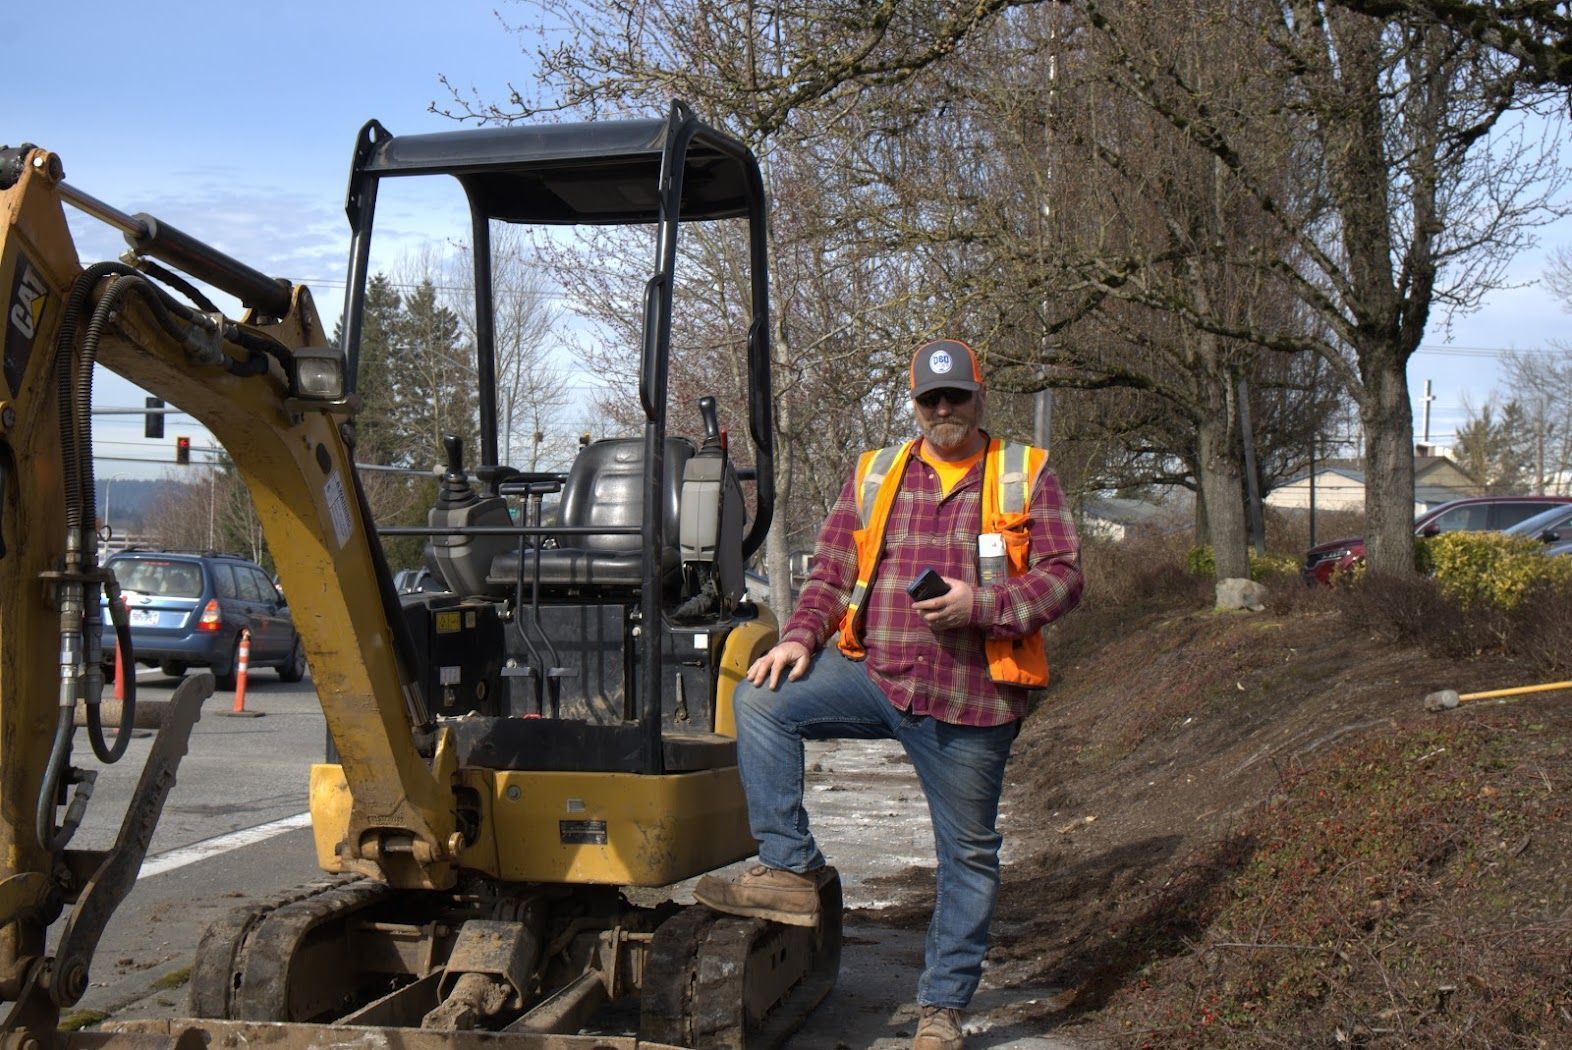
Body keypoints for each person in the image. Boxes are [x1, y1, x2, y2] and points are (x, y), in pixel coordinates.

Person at [694, 338, 1083, 1050]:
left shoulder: (1024, 472)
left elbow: (1063, 577)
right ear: (913, 403)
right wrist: (799, 638)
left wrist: (982, 605)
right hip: (875, 676)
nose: (943, 411)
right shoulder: (878, 473)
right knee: (763, 699)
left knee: (967, 855)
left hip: (973, 702)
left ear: (979, 396)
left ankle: (941, 1008)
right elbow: (832, 567)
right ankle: (789, 865)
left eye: (955, 397)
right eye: (929, 399)